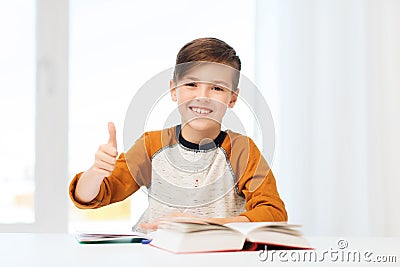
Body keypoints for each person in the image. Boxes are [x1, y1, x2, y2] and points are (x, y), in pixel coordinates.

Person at [69, 37, 287, 232]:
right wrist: (96, 173)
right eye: (192, 84)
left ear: (232, 98)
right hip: (154, 254)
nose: (203, 96)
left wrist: (204, 226)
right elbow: (89, 197)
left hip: (217, 257)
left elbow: (274, 215)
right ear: (174, 90)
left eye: (217, 88)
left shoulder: (242, 150)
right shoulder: (151, 145)